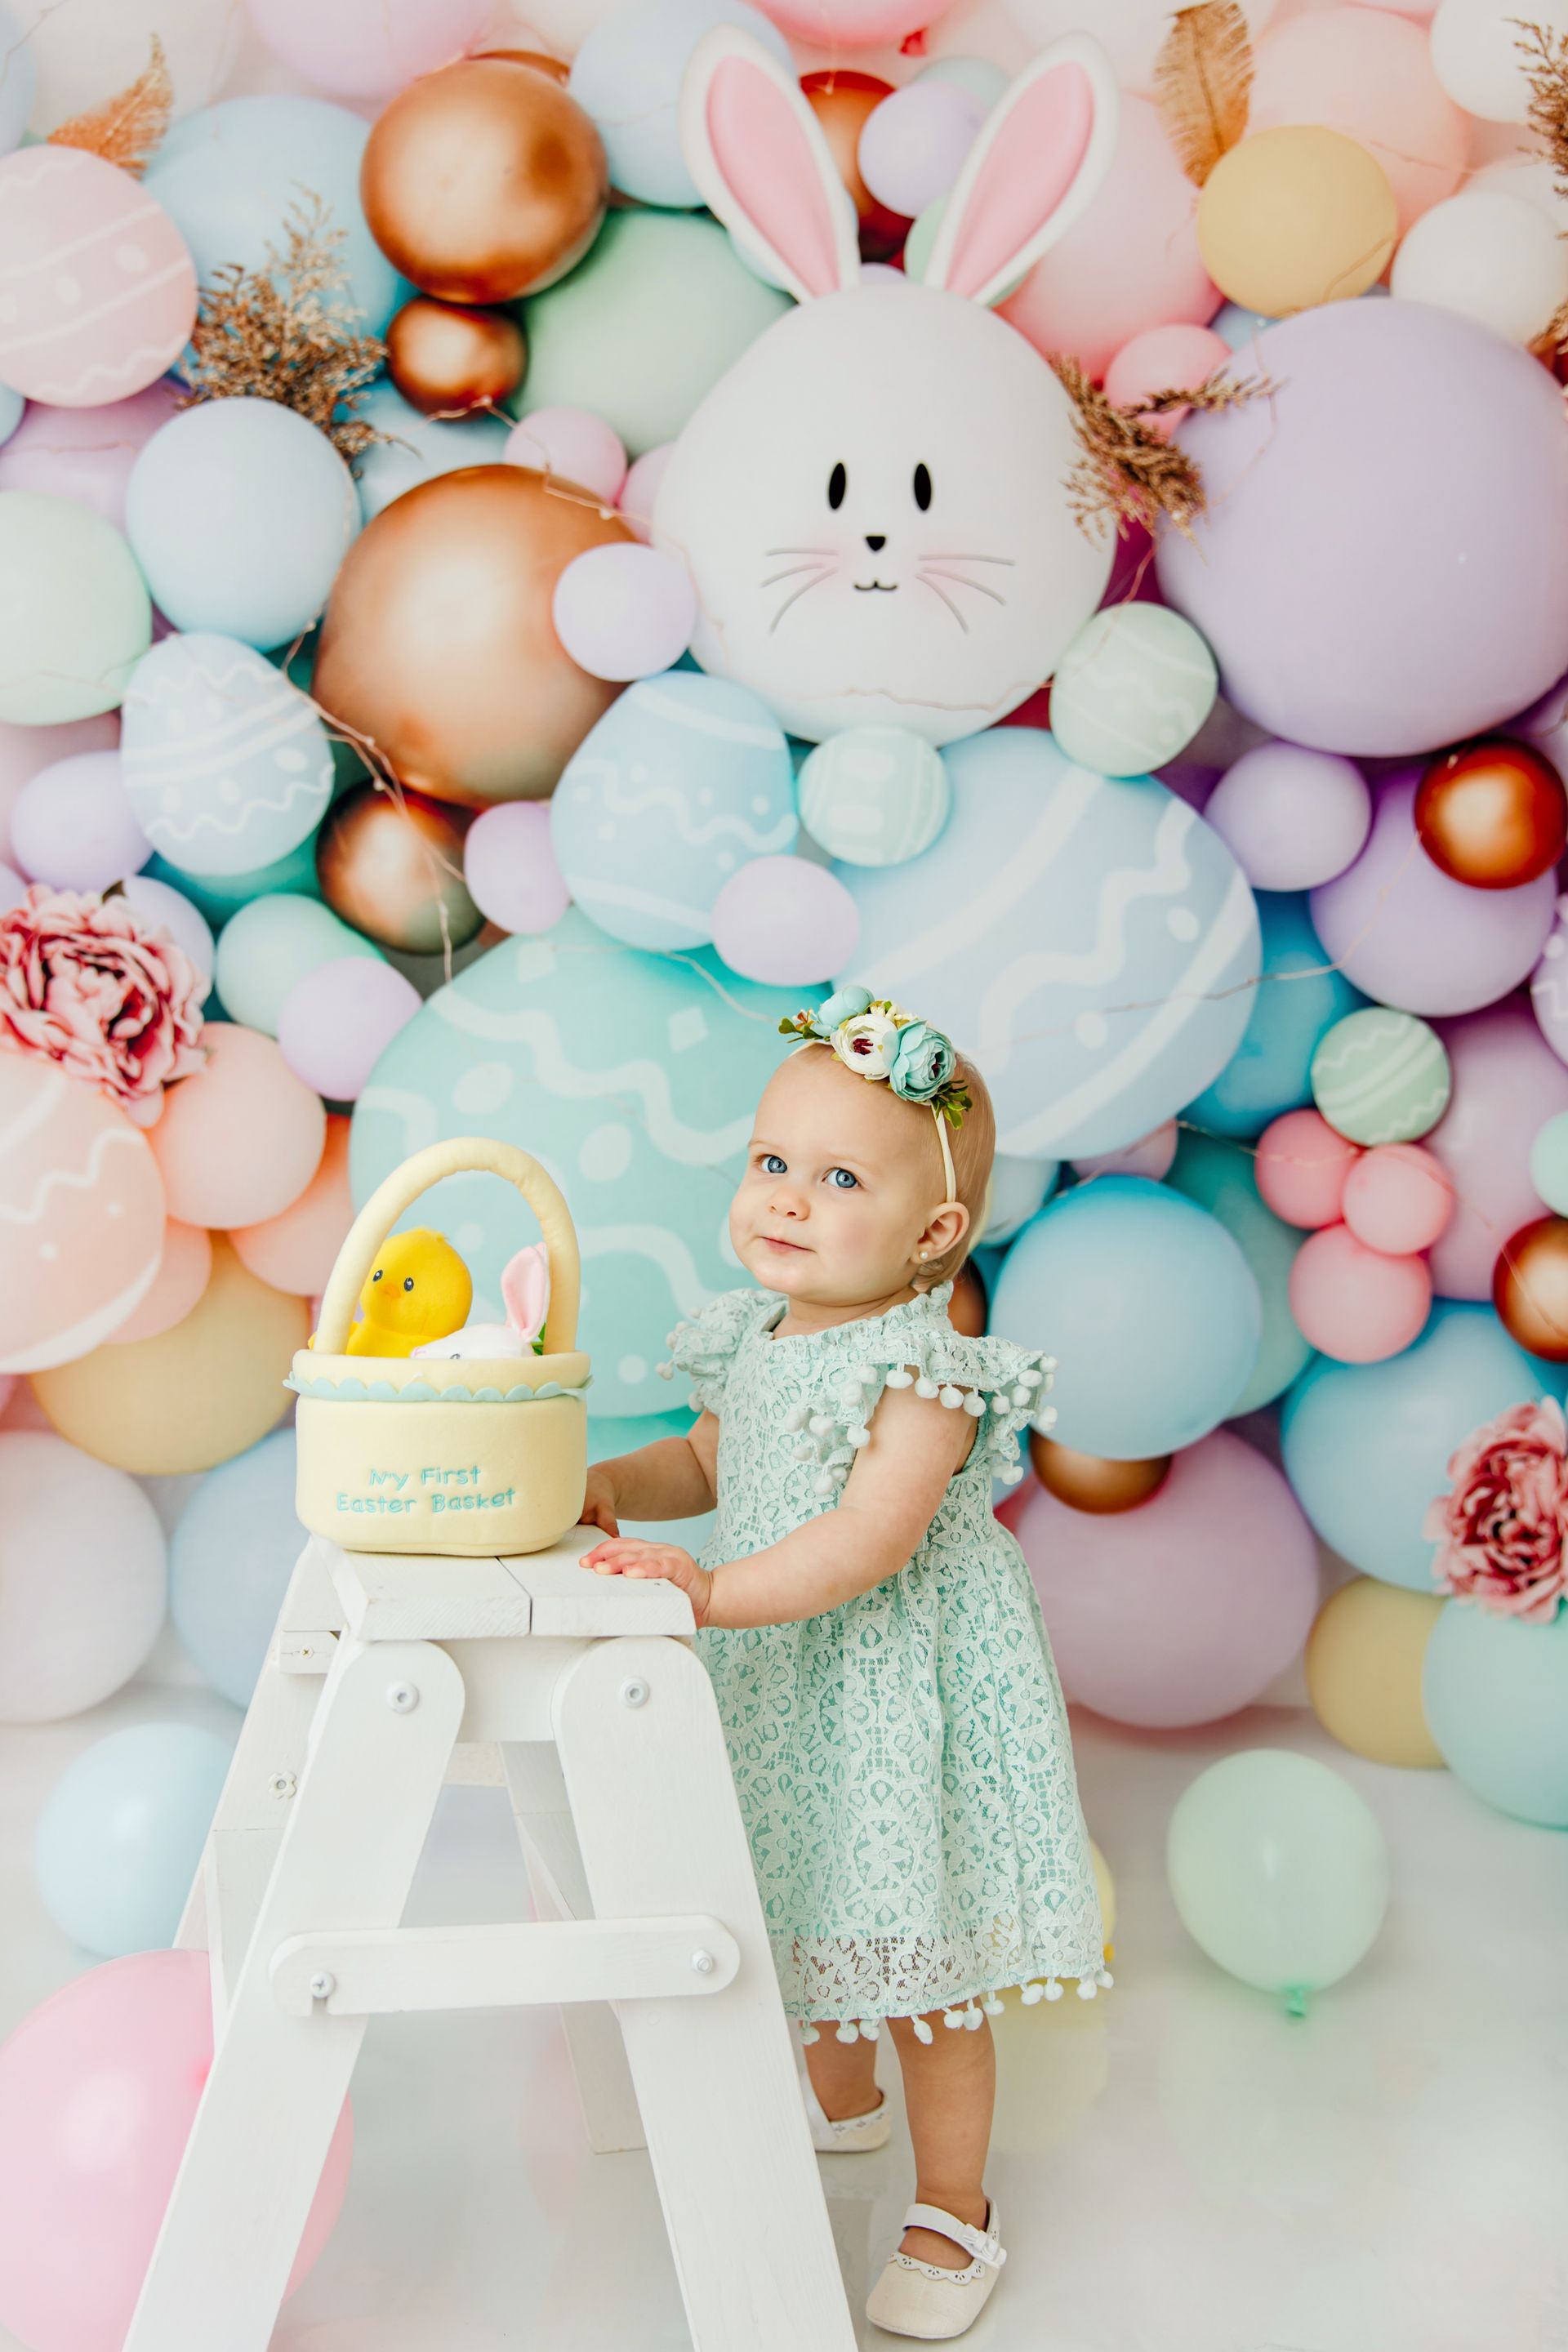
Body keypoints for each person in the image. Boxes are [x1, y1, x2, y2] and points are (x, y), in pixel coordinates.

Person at [581, 986, 1108, 2341]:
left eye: (837, 1178)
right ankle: (843, 2107)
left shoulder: (924, 1373)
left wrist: (707, 1590)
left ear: (932, 1232)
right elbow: (707, 1460)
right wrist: (607, 1486)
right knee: (801, 1913)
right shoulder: (748, 1338)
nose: (788, 1201)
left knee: (912, 1949)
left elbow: (869, 1542)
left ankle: (954, 2203)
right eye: (772, 1165)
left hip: (892, 1689)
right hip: (785, 1669)